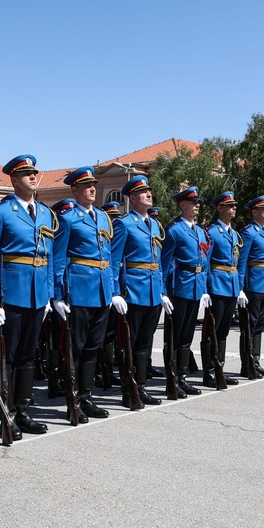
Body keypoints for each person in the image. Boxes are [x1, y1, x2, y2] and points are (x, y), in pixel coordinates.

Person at [0, 155, 53, 438]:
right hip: (11, 294)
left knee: (27, 357)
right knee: (6, 358)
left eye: (34, 173)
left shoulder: (46, 214)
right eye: (26, 174)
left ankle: (23, 411)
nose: (33, 177)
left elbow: (51, 256)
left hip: (36, 294)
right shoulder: (1, 213)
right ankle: (4, 413)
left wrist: (49, 294)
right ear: (13, 179)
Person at [52, 167, 115, 420]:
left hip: (101, 290)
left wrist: (111, 290)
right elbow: (58, 259)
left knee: (93, 348)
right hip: (78, 290)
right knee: (75, 348)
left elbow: (108, 256)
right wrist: (57, 294)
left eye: (94, 185)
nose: (92, 189)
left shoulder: (103, 217)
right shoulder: (68, 219)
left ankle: (87, 397)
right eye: (86, 186)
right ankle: (73, 400)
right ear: (74, 190)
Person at [109, 175, 172, 408]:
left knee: (145, 343)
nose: (149, 194)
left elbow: (159, 262)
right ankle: (128, 389)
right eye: (143, 192)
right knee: (129, 343)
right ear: (132, 198)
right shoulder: (123, 224)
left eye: (149, 191)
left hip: (153, 291)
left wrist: (163, 291)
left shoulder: (155, 225)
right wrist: (116, 292)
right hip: (133, 291)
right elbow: (115, 261)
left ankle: (141, 386)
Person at [161, 186, 210, 396]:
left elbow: (204, 261)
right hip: (180, 286)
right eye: (193, 202)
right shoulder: (174, 230)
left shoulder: (200, 231)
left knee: (187, 335)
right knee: (175, 334)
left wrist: (205, 288)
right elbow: (164, 264)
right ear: (182, 205)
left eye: (198, 202)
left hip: (196, 286)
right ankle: (172, 378)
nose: (197, 205)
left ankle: (182, 377)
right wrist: (163, 292)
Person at [204, 191, 244, 387]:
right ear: (219, 208)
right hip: (217, 285)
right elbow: (206, 261)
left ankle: (220, 367)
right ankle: (209, 372)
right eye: (229, 205)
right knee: (212, 330)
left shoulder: (234, 234)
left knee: (223, 332)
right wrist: (206, 287)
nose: (233, 208)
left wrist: (240, 288)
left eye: (234, 205)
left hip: (232, 285)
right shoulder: (211, 232)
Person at [237, 195, 264, 378]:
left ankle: (256, 360)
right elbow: (242, 261)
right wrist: (241, 287)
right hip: (253, 284)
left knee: (260, 324)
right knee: (249, 325)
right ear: (254, 212)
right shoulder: (249, 232)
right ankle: (247, 364)